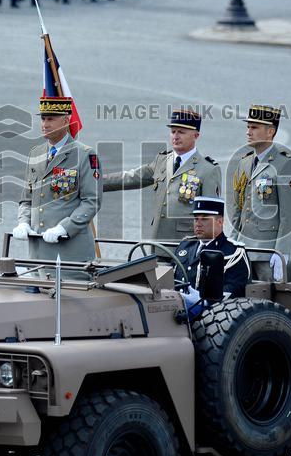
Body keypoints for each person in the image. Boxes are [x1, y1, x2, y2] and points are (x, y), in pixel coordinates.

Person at [102, 108, 221, 241]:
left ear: (196, 136)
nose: (175, 136)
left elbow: (212, 216)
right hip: (158, 242)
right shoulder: (162, 161)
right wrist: (94, 182)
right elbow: (132, 177)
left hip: (187, 245)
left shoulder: (207, 169)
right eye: (173, 132)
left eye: (181, 132)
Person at [14, 96, 102, 263]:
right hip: (38, 253)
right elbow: (26, 199)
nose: (45, 124)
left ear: (65, 121)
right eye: (43, 119)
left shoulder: (84, 155)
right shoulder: (35, 153)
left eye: (51, 119)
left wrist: (64, 228)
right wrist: (23, 222)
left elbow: (92, 201)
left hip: (70, 253)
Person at [230, 105, 291, 283]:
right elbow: (239, 210)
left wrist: (282, 252)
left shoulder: (284, 164)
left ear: (270, 131)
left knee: (267, 301)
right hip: (243, 251)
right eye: (248, 127)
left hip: (266, 252)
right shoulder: (245, 163)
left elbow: (290, 215)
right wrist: (232, 242)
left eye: (254, 128)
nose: (248, 132)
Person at [173, 196, 252, 315]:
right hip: (175, 309)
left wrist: (204, 301)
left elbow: (235, 288)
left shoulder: (233, 251)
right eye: (196, 219)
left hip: (212, 315)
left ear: (220, 222)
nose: (198, 224)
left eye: (204, 219)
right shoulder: (185, 246)